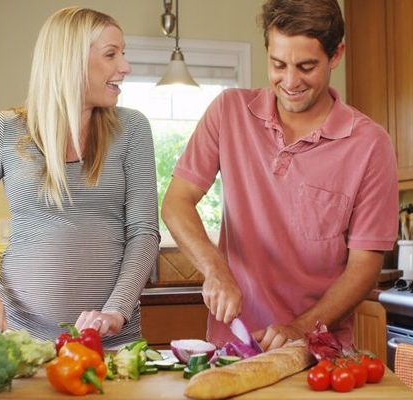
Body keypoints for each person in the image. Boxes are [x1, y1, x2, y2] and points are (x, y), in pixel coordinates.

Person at [161, 0, 398, 352]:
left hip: (319, 354)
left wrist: (301, 328)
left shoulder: (369, 144)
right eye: (278, 64)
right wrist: (214, 267)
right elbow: (176, 202)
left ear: (336, 55)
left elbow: (364, 266)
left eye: (306, 66)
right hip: (233, 348)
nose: (289, 81)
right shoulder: (229, 113)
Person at [0, 7, 160, 347]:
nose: (125, 67)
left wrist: (115, 312)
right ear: (70, 60)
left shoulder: (132, 129)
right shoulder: (6, 131)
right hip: (21, 340)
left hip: (109, 343)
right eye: (111, 54)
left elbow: (143, 232)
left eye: (122, 54)